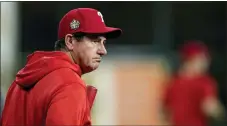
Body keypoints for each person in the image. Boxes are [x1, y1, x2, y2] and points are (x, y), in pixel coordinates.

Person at [1, 8, 122, 126]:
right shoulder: (69, 83)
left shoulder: (20, 81)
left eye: (103, 42)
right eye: (95, 41)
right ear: (70, 41)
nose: (103, 51)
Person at [161, 41, 225, 126]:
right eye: (202, 60)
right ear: (191, 60)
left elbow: (165, 112)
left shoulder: (172, 82)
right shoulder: (205, 82)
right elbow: (209, 107)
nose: (206, 64)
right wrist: (220, 113)